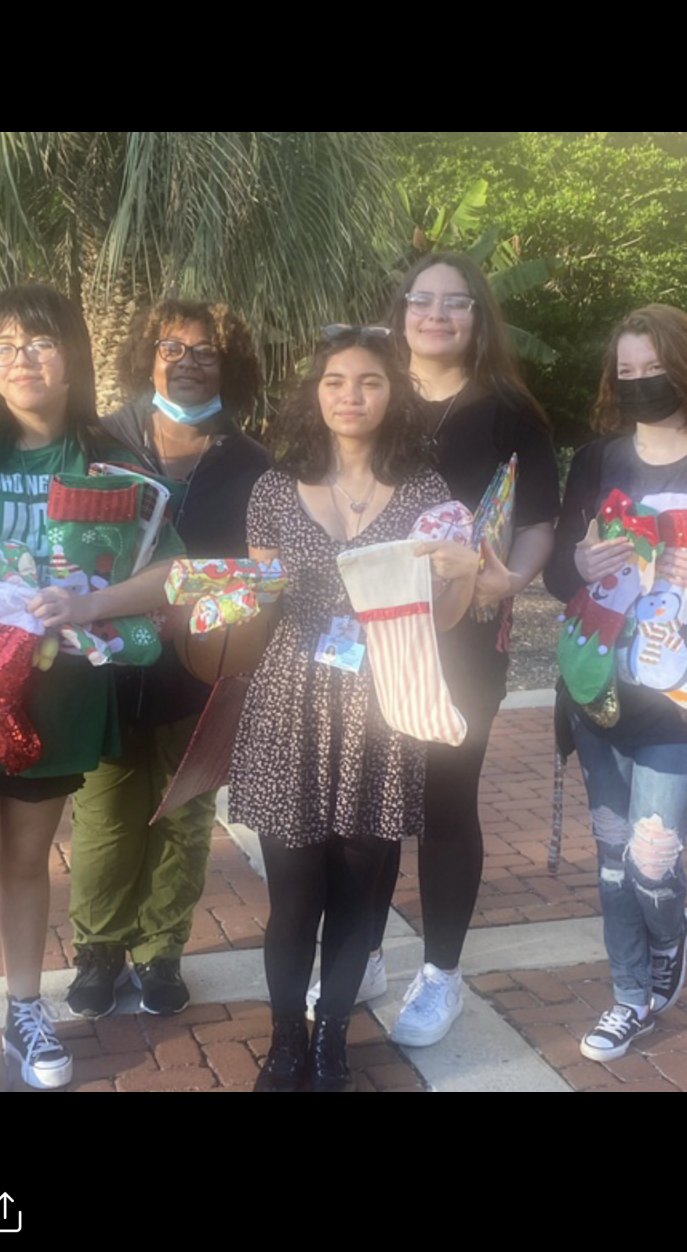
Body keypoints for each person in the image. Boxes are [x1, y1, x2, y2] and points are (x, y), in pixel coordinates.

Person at [229, 326, 480, 1092]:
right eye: (335, 381)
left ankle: (331, 1038)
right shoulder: (274, 490)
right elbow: (257, 612)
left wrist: (465, 572)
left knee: (356, 896)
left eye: (369, 381)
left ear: (392, 393)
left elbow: (443, 619)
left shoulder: (426, 495)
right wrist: (235, 599)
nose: (351, 396)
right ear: (315, 393)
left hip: (383, 704)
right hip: (291, 706)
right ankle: (286, 1040)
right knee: (292, 897)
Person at [0, 285, 182, 1093]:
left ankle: (27, 1012)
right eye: (5, 345)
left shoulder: (109, 460)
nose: (22, 359)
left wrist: (90, 605)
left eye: (41, 342)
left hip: (59, 698)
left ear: (73, 356)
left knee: (29, 860)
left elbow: (169, 567)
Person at [375, 253, 560, 1047]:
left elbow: (541, 516)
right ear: (401, 311)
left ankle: (440, 974)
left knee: (447, 798)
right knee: (371, 797)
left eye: (456, 303)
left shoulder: (509, 409)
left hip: (467, 636)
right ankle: (362, 951)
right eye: (422, 300)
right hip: (375, 629)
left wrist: (511, 578)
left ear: (478, 316)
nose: (437, 314)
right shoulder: (371, 390)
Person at [67, 300, 269, 1019]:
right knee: (105, 814)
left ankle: (160, 951)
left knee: (184, 815)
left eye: (206, 350)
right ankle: (98, 949)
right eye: (171, 347)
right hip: (110, 662)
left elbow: (260, 570)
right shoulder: (101, 444)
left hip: (203, 665)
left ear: (229, 365)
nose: (187, 361)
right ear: (147, 357)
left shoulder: (252, 463)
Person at [544, 305, 687, 1061]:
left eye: (653, 368)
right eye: (625, 371)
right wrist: (579, 563)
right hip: (597, 689)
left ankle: (671, 938)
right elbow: (555, 573)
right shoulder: (597, 459)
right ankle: (630, 996)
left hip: (675, 704)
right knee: (611, 858)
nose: (639, 383)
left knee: (652, 862)